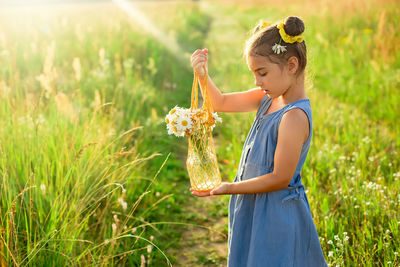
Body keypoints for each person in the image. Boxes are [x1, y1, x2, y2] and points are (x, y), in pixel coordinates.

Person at [189, 16, 328, 266]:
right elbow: (220, 102)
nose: (257, 81)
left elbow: (280, 178)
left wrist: (228, 187)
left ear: (292, 65)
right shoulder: (267, 98)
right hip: (253, 204)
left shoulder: (294, 116)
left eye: (262, 73)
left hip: (276, 214)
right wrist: (202, 76)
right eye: (254, 73)